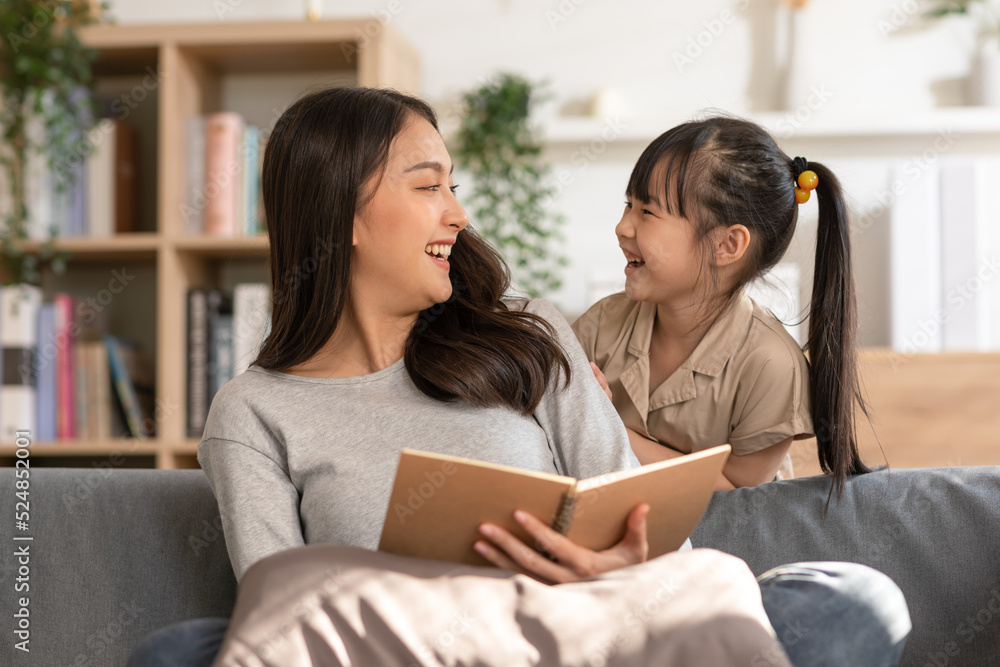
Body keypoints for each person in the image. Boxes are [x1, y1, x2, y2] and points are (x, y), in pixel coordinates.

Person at [126, 87, 909, 667]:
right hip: (405, 649)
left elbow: (647, 529)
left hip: (580, 631)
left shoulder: (527, 334)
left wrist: (623, 565)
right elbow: (284, 609)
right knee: (185, 650)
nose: (458, 215)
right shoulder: (254, 411)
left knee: (842, 597)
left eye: (453, 186)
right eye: (429, 185)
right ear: (346, 215)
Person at [574, 116, 871, 491]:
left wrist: (605, 427)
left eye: (647, 212)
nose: (623, 226)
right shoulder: (602, 325)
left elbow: (731, 497)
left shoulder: (772, 368)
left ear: (726, 245)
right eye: (628, 204)